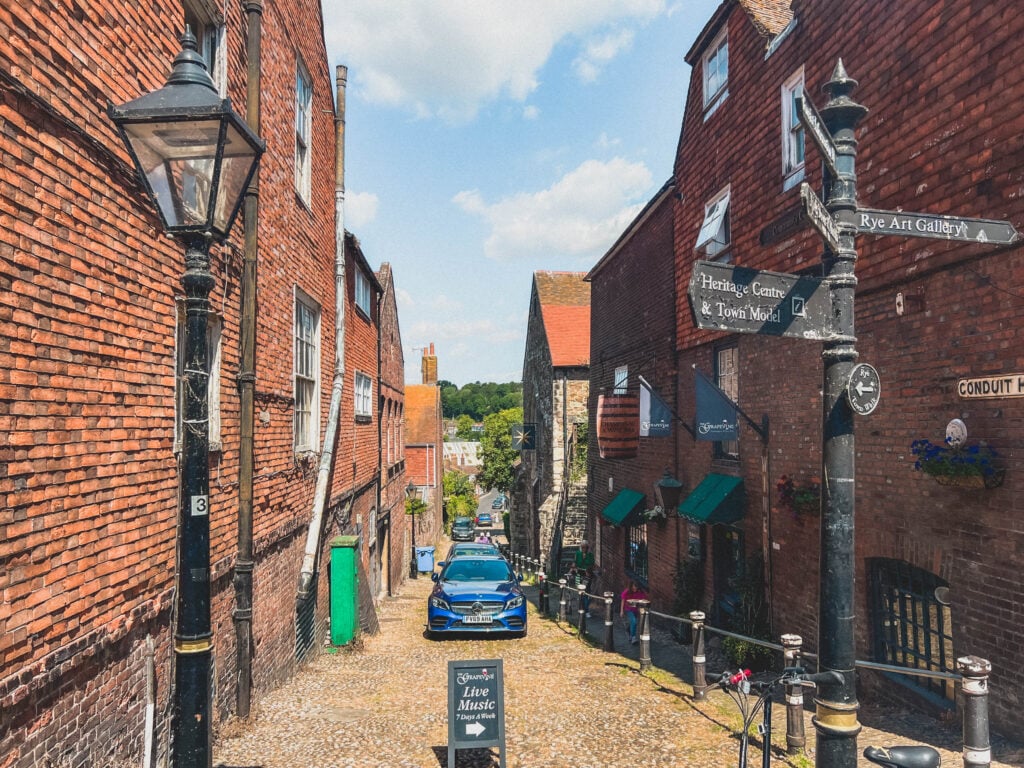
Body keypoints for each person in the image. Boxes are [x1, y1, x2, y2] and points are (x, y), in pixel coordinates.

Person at [620, 579, 648, 645]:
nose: (634, 589)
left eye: (636, 588)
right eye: (633, 588)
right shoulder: (627, 592)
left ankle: (629, 630)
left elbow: (643, 599)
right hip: (629, 609)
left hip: (636, 610)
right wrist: (621, 611)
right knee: (634, 622)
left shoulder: (640, 592)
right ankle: (633, 637)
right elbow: (623, 600)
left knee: (633, 622)